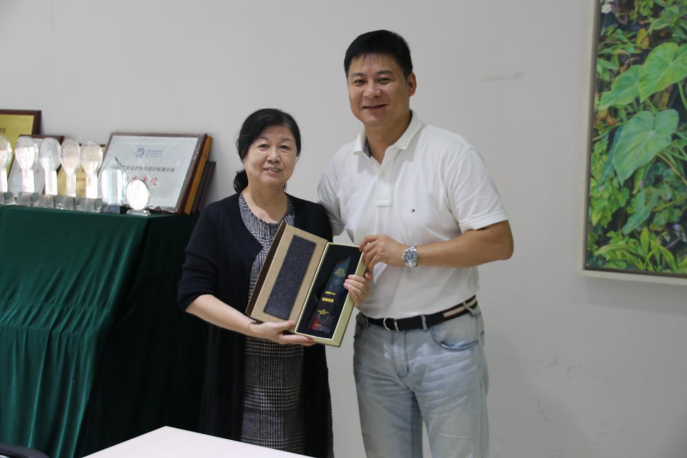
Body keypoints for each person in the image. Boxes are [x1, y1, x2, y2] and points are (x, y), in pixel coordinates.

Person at [318, 31, 514, 458]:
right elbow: (318, 243)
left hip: (447, 342)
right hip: (373, 343)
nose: (371, 92)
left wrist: (409, 254)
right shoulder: (340, 166)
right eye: (358, 81)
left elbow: (498, 242)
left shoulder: (451, 153)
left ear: (410, 83)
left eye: (384, 79)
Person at [178, 108, 370, 458]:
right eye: (263, 145)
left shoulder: (313, 217)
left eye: (285, 146)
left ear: (295, 157)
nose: (274, 155)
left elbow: (324, 292)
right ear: (244, 154)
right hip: (238, 378)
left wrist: (352, 294)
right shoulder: (218, 217)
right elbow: (192, 294)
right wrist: (253, 328)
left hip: (299, 379)